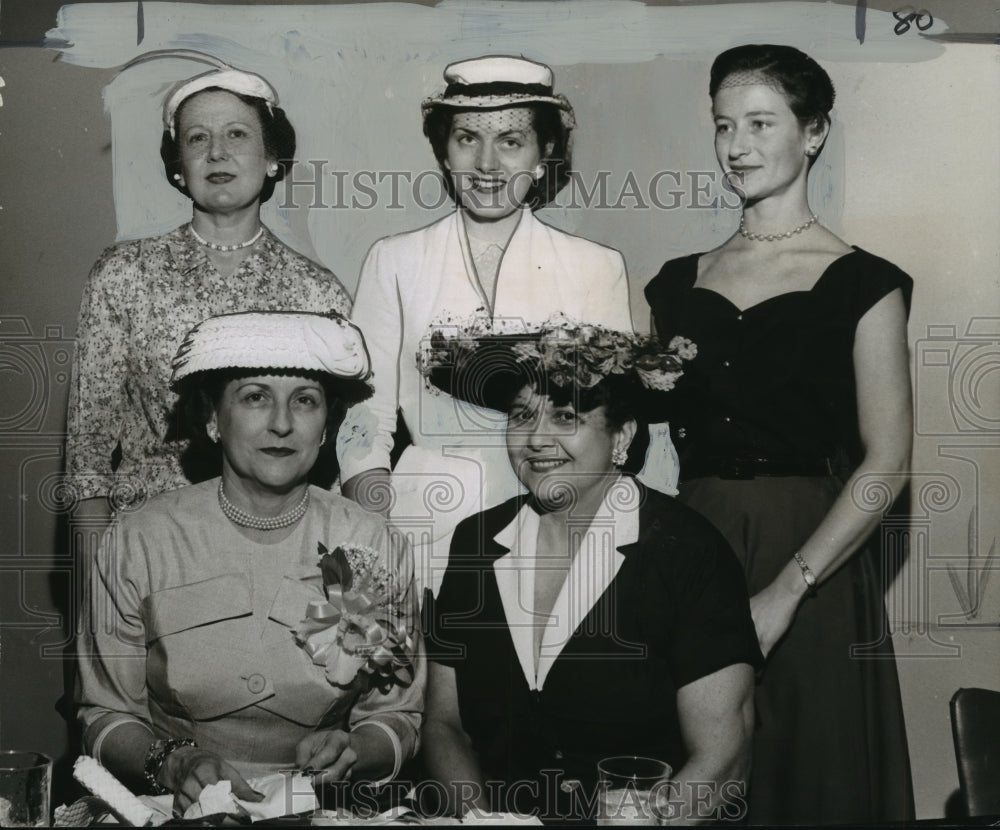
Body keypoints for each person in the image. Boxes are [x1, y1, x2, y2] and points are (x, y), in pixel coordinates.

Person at [644, 44, 914, 824]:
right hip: (691, 547)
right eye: (724, 126)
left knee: (809, 781)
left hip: (813, 556)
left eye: (762, 123)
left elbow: (888, 461)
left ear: (815, 132)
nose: (737, 146)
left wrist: (789, 589)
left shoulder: (866, 283)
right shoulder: (673, 282)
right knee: (695, 783)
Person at [75, 312, 423, 817]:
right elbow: (104, 714)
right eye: (255, 396)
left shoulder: (371, 543)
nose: (281, 423)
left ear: (326, 425)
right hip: (168, 808)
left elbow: (399, 717)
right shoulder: (138, 540)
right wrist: (173, 763)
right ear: (214, 419)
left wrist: (356, 749)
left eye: (304, 400)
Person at [418, 317, 763, 823]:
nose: (535, 440)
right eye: (520, 416)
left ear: (621, 435)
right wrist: (484, 821)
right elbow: (444, 725)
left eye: (564, 417)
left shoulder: (686, 551)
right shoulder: (476, 542)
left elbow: (724, 763)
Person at [339, 55, 649, 599]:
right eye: (466, 139)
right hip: (421, 515)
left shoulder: (595, 266)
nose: (487, 164)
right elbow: (364, 416)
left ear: (544, 152)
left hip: (556, 510)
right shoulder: (395, 260)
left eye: (511, 140)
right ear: (443, 148)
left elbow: (614, 420)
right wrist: (381, 528)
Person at [65, 57, 351, 530]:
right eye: (198, 138)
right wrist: (94, 585)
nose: (217, 153)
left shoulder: (319, 292)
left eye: (237, 134)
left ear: (272, 157)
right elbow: (87, 454)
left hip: (277, 536)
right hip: (149, 538)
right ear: (180, 167)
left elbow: (333, 457)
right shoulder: (123, 274)